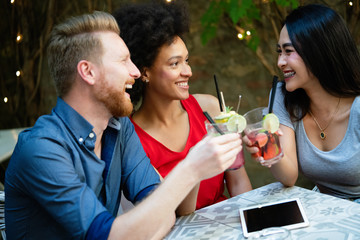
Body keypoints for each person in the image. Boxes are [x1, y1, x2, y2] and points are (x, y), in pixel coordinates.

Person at [5, 11, 244, 239]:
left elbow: (164, 212)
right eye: (124, 61)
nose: (135, 72)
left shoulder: (119, 128)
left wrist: (143, 224)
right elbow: (109, 235)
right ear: (88, 72)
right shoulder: (41, 150)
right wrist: (191, 169)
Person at [113, 1, 252, 213]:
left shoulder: (210, 109)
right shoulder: (133, 140)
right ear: (144, 72)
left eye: (186, 60)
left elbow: (239, 183)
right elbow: (173, 213)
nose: (188, 71)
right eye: (175, 63)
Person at [245, 4, 360, 201]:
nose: (280, 62)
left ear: (318, 51)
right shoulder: (282, 97)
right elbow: (289, 177)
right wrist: (270, 151)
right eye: (279, 52)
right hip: (323, 209)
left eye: (288, 51)